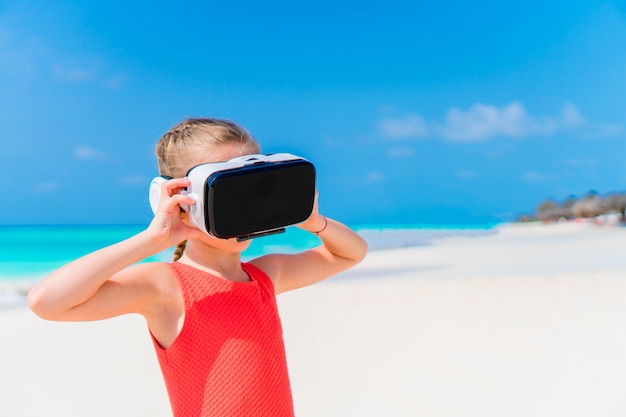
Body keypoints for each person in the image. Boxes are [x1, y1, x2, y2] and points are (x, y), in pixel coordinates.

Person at [27, 117, 368, 417]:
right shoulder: (165, 286)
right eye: (229, 193)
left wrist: (313, 221)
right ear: (181, 200)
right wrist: (152, 240)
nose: (245, 209)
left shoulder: (264, 276)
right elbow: (47, 301)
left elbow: (350, 253)